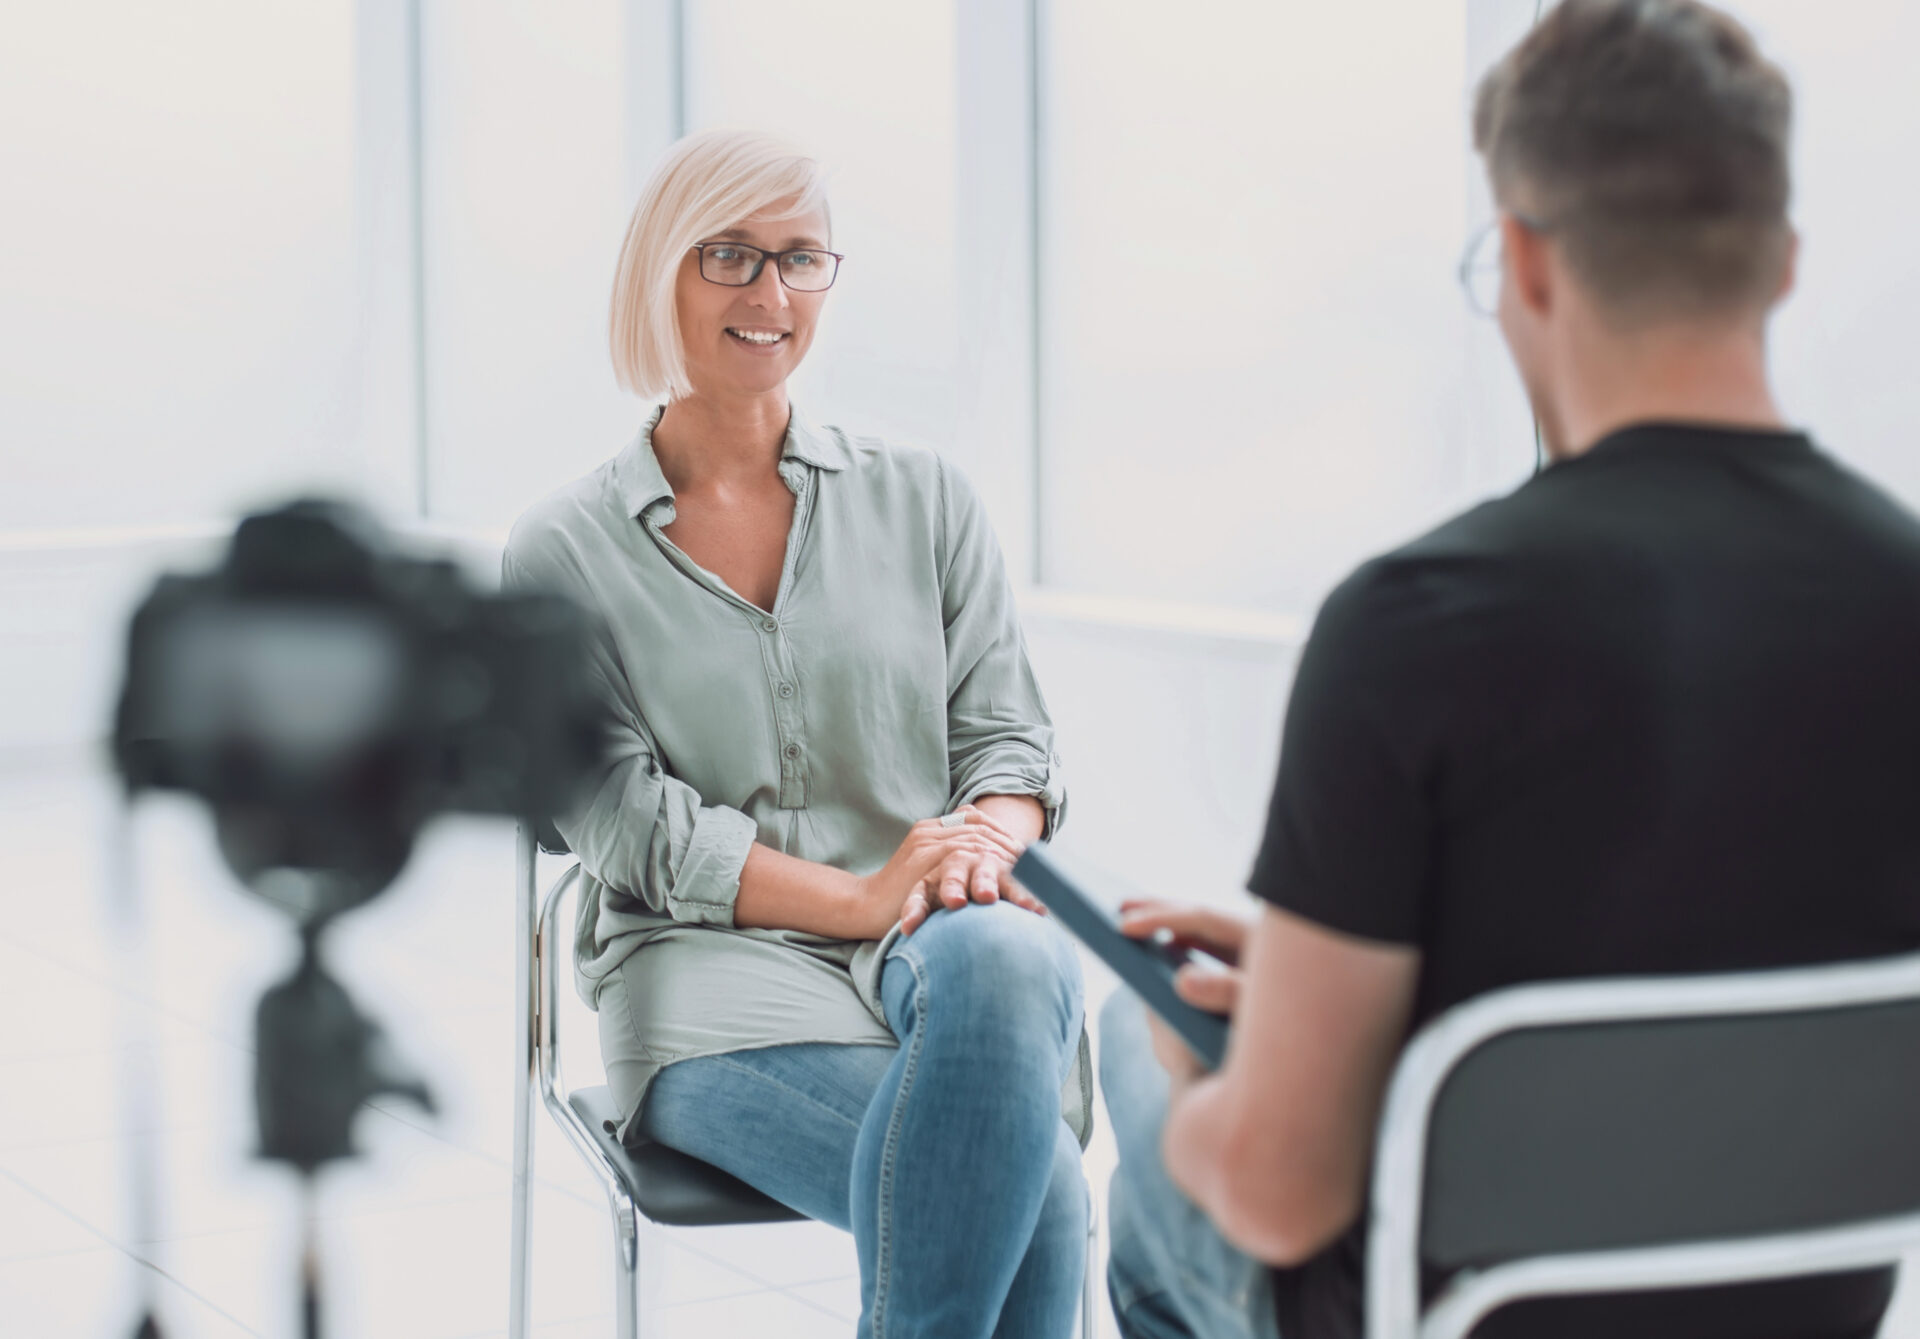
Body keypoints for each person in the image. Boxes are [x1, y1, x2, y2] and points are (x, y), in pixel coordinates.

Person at [1097, 2, 1920, 1337]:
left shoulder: (1417, 622)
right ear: (1784, 263)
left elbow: (1283, 1189)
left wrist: (1193, 1084)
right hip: (1804, 1309)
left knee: (1147, 1075)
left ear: (1528, 265)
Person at [504, 128, 1092, 1339]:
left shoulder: (925, 495)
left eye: (801, 258)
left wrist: (982, 844)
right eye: (730, 255)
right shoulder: (562, 548)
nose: (770, 294)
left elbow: (1008, 737)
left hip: (927, 938)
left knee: (1017, 952)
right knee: (1033, 1197)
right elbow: (624, 824)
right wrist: (867, 896)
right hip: (705, 980)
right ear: (659, 273)